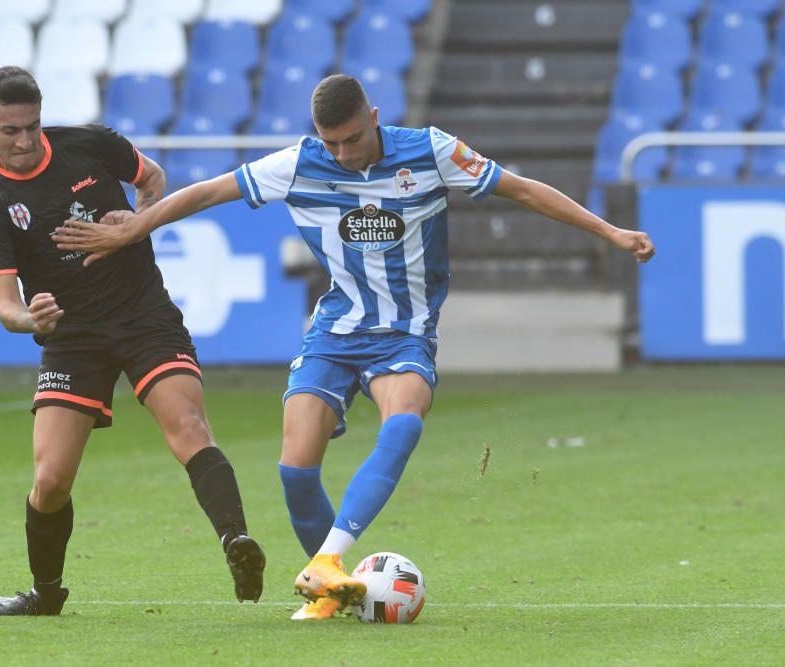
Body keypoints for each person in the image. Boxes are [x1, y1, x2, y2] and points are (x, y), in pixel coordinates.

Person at [52, 74, 655, 620]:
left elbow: (522, 191)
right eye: (331, 143)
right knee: (294, 470)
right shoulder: (300, 163)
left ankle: (327, 562)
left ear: (373, 115)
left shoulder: (431, 150)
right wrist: (139, 223)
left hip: (405, 331)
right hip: (335, 332)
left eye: (352, 139)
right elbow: (210, 192)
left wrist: (609, 231)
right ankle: (330, 592)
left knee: (404, 423)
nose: (341, 153)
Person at [0, 66, 265, 616]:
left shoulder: (91, 145)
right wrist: (32, 320)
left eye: (33, 127)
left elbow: (152, 178)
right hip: (72, 337)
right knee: (52, 479)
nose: (26, 141)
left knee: (189, 427)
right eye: (10, 130)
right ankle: (46, 594)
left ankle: (237, 542)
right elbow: (6, 306)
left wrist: (133, 220)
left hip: (142, 314)